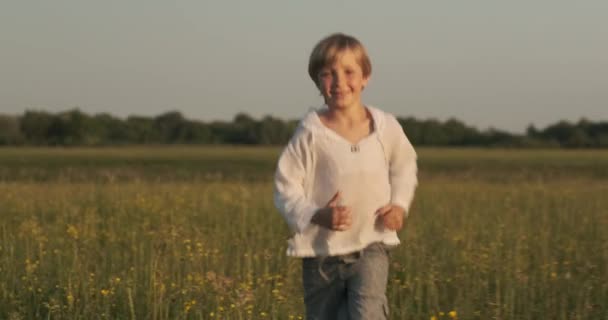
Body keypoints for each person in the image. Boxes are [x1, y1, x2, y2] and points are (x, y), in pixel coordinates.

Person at [273, 33, 418, 320]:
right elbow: (285, 187)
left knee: (368, 313)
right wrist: (317, 214)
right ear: (317, 82)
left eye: (349, 72)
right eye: (328, 74)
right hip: (322, 253)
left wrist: (399, 205)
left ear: (365, 77)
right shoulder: (311, 133)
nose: (339, 82)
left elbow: (405, 164)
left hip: (372, 242)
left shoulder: (384, 127)